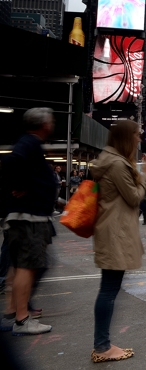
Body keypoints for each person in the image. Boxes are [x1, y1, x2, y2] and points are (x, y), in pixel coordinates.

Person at [90, 119, 146, 362]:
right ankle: (102, 347)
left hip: (112, 229)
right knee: (108, 290)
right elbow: (134, 197)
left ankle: (102, 344)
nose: (139, 139)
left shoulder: (113, 160)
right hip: (115, 232)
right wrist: (145, 174)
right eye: (137, 135)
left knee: (109, 288)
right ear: (126, 137)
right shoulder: (116, 164)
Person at [0, 108, 57, 336]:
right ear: (43, 124)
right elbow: (13, 162)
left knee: (21, 267)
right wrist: (20, 185)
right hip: (28, 219)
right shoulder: (30, 143)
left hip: (27, 217)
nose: (53, 124)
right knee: (27, 266)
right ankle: (23, 320)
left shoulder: (29, 143)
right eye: (51, 120)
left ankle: (14, 312)